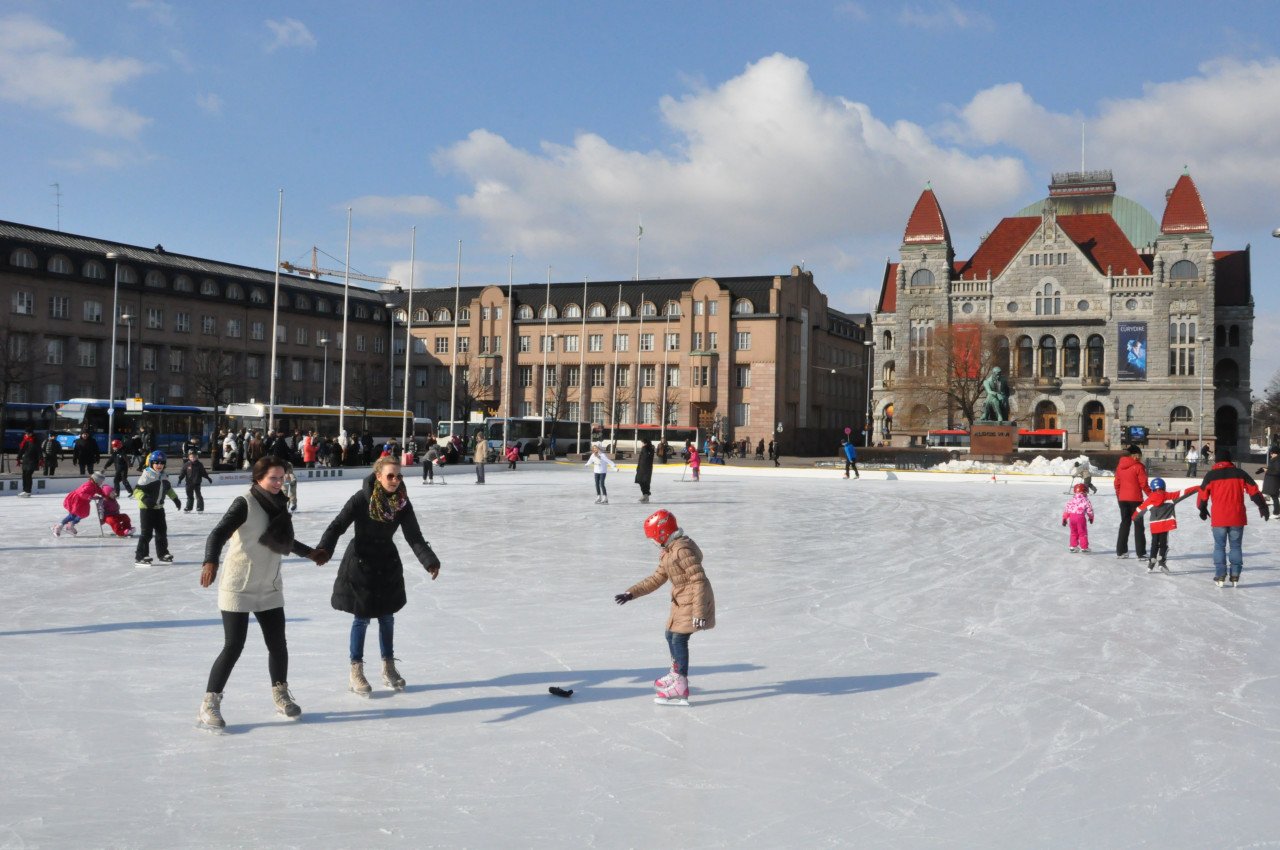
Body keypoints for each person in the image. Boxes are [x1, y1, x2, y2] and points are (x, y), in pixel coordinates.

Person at [196, 456, 326, 730]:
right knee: (233, 646)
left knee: (278, 644)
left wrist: (310, 553)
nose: (279, 483)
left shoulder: (280, 505)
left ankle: (280, 693)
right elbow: (217, 533)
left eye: (282, 477)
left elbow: (283, 541)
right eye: (273, 478)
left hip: (269, 584)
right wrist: (211, 560)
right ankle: (209, 703)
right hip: (239, 585)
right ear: (258, 478)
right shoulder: (245, 503)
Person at [312, 457, 441, 696]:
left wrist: (429, 560)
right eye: (390, 475)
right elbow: (337, 525)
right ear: (378, 476)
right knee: (361, 619)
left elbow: (414, 536)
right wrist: (324, 549)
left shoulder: (402, 503)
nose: (395, 480)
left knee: (387, 617)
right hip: (361, 563)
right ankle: (356, 671)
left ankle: (388, 668)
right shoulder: (361, 499)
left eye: (399, 476)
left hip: (386, 563)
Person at [613, 509, 715, 705]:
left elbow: (699, 580)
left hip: (693, 599)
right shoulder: (669, 551)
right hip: (682, 599)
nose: (653, 542)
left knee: (678, 639)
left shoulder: (681, 550)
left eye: (653, 538)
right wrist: (631, 593)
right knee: (670, 635)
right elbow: (657, 578)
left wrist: (699, 612)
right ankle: (676, 673)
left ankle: (680, 683)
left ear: (662, 534)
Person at [1197, 448, 1270, 587]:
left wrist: (1202, 509)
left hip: (1219, 518)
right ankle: (1235, 575)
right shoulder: (1240, 473)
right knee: (1236, 546)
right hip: (1237, 517)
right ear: (1229, 460)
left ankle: (1220, 575)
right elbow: (1253, 491)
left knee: (1219, 547)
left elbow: (1202, 495)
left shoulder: (1211, 475)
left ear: (1217, 460)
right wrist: (1263, 506)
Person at [1133, 478, 1200, 572]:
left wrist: (1134, 518)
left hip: (1155, 526)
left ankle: (1152, 560)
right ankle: (1161, 561)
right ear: (1163, 487)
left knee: (1154, 543)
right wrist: (1198, 487)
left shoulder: (1149, 500)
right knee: (1163, 544)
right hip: (1165, 525)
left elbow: (1139, 511)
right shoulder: (1170, 496)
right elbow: (1184, 492)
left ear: (1152, 488)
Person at [133, 450, 181, 567]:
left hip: (159, 508)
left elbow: (168, 489)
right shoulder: (147, 475)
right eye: (156, 463)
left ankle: (163, 554)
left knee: (161, 532)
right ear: (151, 463)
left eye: (161, 463)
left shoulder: (164, 476)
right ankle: (140, 556)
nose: (159, 465)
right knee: (146, 533)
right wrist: (144, 498)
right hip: (146, 509)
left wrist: (175, 499)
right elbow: (137, 490)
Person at [1113, 444, 1150, 560]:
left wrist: (1119, 496)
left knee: (1124, 523)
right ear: (1136, 455)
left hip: (1123, 500)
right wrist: (1153, 495)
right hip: (1136, 500)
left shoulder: (1120, 466)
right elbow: (1143, 484)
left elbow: (1117, 484)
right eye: (1139, 455)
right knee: (1138, 526)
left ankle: (1121, 551)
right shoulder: (1139, 466)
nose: (1139, 457)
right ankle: (1141, 553)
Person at [53, 472, 106, 537]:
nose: (102, 483)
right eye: (101, 481)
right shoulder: (88, 485)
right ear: (96, 480)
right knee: (73, 515)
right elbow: (81, 493)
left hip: (84, 501)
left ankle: (71, 524)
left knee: (84, 514)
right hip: (77, 500)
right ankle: (59, 526)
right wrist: (90, 497)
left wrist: (106, 495)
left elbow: (99, 491)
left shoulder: (95, 486)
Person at [1061, 482, 1095, 553]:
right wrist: (1091, 517)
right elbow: (1089, 510)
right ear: (1084, 491)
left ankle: (1073, 547)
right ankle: (1084, 547)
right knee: (1082, 533)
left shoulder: (1071, 500)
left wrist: (1064, 518)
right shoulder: (1086, 500)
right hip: (1080, 518)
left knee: (1073, 532)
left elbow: (1067, 510)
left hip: (1072, 518)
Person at [1258, 446, 1280, 515]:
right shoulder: (1275, 459)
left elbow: (1277, 471)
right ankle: (1276, 511)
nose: (1271, 454)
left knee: (1274, 497)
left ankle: (1276, 512)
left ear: (1276, 453)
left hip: (1273, 482)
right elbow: (1272, 469)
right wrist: (1263, 469)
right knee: (1274, 496)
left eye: (1272, 453)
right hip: (1272, 482)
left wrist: (1266, 470)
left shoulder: (1277, 460)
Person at [17, 429, 40, 497]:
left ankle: (28, 491)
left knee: (28, 475)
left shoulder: (35, 441)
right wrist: (18, 457)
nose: (25, 434)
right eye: (25, 433)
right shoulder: (25, 440)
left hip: (32, 461)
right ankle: (24, 490)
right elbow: (22, 450)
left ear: (31, 434)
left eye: (27, 433)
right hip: (26, 461)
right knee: (24, 475)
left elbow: (39, 451)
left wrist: (41, 459)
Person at [635, 435, 655, 503]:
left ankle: (645, 494)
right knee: (645, 481)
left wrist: (639, 467)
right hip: (647, 468)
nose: (642, 444)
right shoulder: (650, 448)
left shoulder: (645, 448)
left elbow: (644, 458)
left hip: (643, 468)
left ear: (645, 443)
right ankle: (645, 494)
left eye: (642, 442)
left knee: (642, 481)